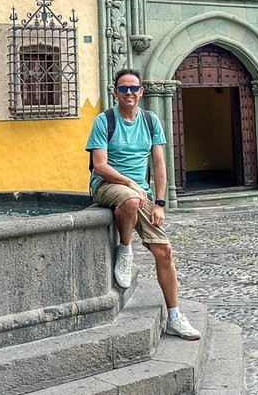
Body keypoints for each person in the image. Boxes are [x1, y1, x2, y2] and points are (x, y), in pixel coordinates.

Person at [86, 68, 201, 341]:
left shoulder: (150, 121)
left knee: (165, 252)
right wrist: (129, 183)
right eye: (123, 88)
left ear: (141, 92)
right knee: (131, 199)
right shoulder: (104, 121)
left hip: (142, 193)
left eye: (133, 88)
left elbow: (159, 164)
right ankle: (125, 250)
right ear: (115, 92)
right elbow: (99, 166)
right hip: (107, 185)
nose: (128, 93)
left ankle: (174, 316)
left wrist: (159, 203)